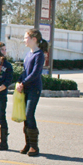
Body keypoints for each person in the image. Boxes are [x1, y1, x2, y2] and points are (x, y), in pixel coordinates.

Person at [16, 29, 48, 157]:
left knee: (29, 114)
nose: (24, 40)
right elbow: (25, 72)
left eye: (26, 37)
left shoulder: (39, 54)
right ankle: (28, 144)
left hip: (34, 88)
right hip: (25, 89)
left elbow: (35, 74)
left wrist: (23, 83)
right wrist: (19, 81)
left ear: (34, 39)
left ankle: (35, 146)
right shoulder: (29, 54)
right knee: (25, 116)